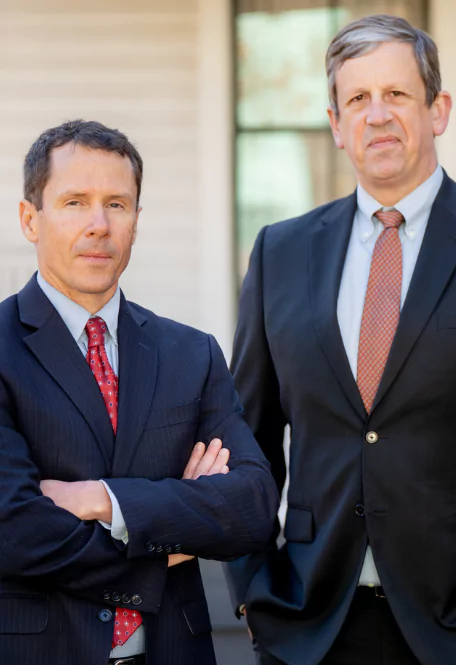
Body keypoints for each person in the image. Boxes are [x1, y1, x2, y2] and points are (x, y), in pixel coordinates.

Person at [226, 14, 456, 665]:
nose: (378, 115)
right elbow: (247, 443)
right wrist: (253, 594)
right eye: (358, 100)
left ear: (437, 109)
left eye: (397, 94)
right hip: (311, 627)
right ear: (336, 125)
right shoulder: (279, 252)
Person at [0, 119, 279, 665]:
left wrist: (105, 501)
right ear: (30, 219)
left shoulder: (190, 353)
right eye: (75, 202)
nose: (99, 225)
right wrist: (170, 543)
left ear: (136, 219)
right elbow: (14, 528)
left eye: (117, 204)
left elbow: (253, 506)